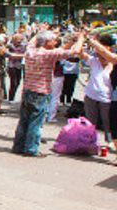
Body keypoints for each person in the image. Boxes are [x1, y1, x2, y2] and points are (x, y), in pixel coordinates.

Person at [12, 29, 84, 157]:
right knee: (36, 122)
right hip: (40, 92)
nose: (56, 42)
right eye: (53, 40)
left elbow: (33, 40)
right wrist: (81, 38)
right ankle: (31, 149)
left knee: (24, 120)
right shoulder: (48, 54)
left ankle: (18, 146)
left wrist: (40, 31)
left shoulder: (30, 50)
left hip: (28, 90)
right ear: (46, 42)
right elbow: (75, 51)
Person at [80, 35, 115, 147]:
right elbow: (80, 54)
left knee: (108, 122)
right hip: (91, 96)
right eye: (99, 54)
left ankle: (110, 141)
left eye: (103, 54)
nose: (101, 57)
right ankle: (91, 141)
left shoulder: (113, 64)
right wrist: (81, 39)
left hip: (107, 98)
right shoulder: (94, 61)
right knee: (91, 121)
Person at [6, 33, 27, 102]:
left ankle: (13, 96)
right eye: (18, 40)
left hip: (19, 66)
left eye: (20, 40)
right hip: (11, 66)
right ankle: (11, 98)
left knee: (18, 82)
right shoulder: (10, 46)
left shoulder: (23, 46)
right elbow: (8, 55)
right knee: (13, 82)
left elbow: (27, 53)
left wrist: (16, 55)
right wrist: (21, 55)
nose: (19, 41)